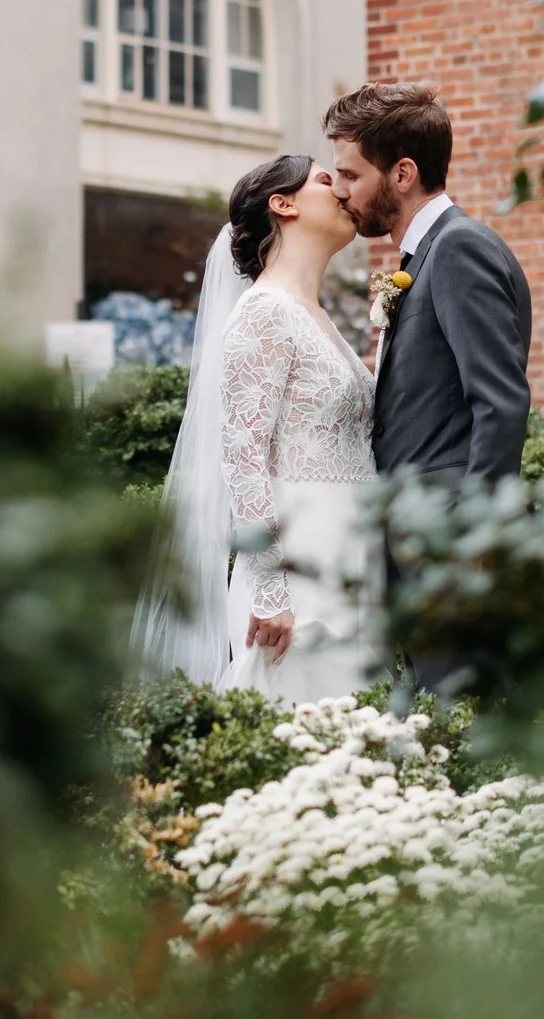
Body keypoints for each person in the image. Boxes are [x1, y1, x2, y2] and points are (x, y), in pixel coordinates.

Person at [129, 155, 386, 699]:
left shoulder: (316, 316)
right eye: (324, 180)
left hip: (349, 548)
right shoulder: (263, 313)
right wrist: (270, 590)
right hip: (296, 562)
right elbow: (242, 458)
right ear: (283, 203)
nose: (341, 190)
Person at [324, 84, 533, 694]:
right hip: (416, 548)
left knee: (466, 730)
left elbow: (500, 402)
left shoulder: (459, 249)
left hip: (448, 551)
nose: (340, 190)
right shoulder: (422, 259)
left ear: (403, 173)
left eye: (349, 174)